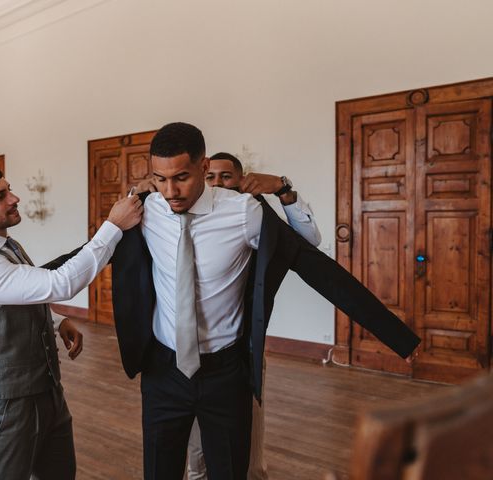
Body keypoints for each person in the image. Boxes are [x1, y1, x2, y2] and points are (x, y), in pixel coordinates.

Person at [110, 122, 420, 480]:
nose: (170, 191)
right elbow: (91, 252)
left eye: (180, 177)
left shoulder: (244, 212)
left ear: (203, 165)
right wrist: (30, 279)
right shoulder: (147, 209)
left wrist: (396, 335)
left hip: (225, 374)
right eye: (160, 179)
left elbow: (315, 266)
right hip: (163, 371)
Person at [0, 165, 142, 480]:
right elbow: (59, 283)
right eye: (1, 196)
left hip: (46, 389)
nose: (14, 198)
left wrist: (57, 320)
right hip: (5, 403)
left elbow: (19, 295)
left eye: (9, 189)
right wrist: (113, 226)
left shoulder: (9, 247)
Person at [188, 151, 321, 480]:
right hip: (189, 345)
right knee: (194, 440)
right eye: (211, 177)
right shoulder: (189, 217)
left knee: (248, 431)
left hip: (242, 345)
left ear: (242, 180)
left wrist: (282, 188)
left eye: (226, 176)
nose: (218, 183)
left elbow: (309, 241)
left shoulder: (255, 217)